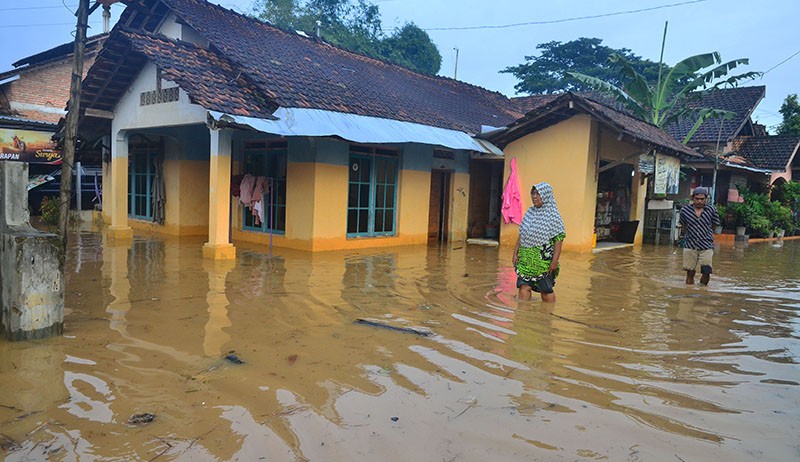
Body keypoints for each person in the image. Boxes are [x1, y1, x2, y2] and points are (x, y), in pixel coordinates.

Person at [513, 182, 566, 302]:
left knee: (546, 290)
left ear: (546, 195)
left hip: (543, 262)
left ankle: (548, 312)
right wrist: (515, 253)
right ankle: (523, 312)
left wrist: (554, 262)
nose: (534, 196)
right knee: (523, 287)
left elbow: (558, 242)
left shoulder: (553, 216)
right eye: (533, 193)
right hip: (525, 260)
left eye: (538, 194)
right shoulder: (530, 213)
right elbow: (522, 235)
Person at [679, 187, 720, 285]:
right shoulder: (685, 211)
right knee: (690, 272)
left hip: (706, 245)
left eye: (702, 199)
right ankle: (689, 291)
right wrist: (688, 236)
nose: (699, 201)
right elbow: (683, 226)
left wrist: (706, 233)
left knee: (706, 270)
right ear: (693, 198)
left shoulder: (712, 210)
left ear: (706, 199)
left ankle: (703, 290)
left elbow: (714, 225)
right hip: (690, 244)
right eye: (697, 199)